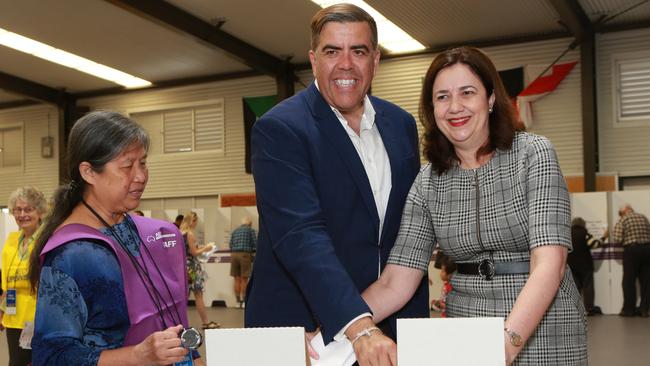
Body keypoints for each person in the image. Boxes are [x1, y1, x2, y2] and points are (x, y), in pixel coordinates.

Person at [360, 46, 587, 365]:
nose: (455, 107)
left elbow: (550, 262)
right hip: (466, 328)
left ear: (491, 99)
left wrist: (507, 343)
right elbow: (396, 281)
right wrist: (343, 323)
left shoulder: (533, 154)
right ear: (431, 108)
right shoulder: (427, 181)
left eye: (467, 92)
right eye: (442, 97)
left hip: (544, 325)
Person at [245, 3, 429, 363]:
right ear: (314, 60)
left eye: (358, 51)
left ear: (375, 60)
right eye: (332, 51)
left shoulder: (400, 124)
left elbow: (407, 230)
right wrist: (358, 326)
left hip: (388, 327)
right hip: (305, 327)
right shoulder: (280, 129)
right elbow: (300, 236)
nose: (346, 64)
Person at [28, 111, 203, 366]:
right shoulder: (71, 254)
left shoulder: (153, 235)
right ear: (88, 172)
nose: (141, 176)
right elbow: (52, 357)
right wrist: (138, 356)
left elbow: (176, 325)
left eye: (143, 163)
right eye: (127, 165)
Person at [1, 186, 47, 366]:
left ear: (40, 212)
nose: (22, 214)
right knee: (16, 362)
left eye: (28, 209)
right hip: (13, 315)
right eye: (18, 210)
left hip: (38, 316)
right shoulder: (12, 239)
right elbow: (6, 280)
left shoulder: (47, 239)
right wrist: (2, 309)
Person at [180, 211, 219, 328]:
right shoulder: (190, 234)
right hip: (192, 267)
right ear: (193, 221)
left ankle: (179, 322)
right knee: (198, 295)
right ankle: (206, 322)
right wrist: (206, 248)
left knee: (183, 296)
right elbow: (194, 252)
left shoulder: (180, 233)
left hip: (183, 266)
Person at [612, 204, 650, 317]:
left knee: (628, 281)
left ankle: (629, 310)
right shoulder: (643, 217)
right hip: (648, 249)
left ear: (623, 212)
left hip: (632, 250)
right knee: (646, 281)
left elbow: (618, 238)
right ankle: (645, 309)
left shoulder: (623, 220)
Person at [568, 217, 603, 316]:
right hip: (585, 266)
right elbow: (595, 244)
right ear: (583, 224)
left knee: (575, 287)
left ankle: (576, 309)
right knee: (588, 287)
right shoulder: (585, 233)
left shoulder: (568, 234)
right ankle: (589, 308)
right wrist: (603, 238)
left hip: (572, 265)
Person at [228, 217, 256, 307]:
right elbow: (255, 244)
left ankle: (237, 302)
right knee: (244, 279)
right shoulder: (250, 230)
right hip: (244, 255)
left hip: (234, 255)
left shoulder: (235, 231)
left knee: (236, 278)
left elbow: (230, 244)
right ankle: (244, 301)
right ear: (250, 224)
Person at [430, 252, 456, 318]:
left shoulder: (449, 288)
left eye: (442, 270)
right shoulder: (447, 286)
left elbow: (447, 305)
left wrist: (438, 305)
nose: (440, 274)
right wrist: (437, 304)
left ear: (450, 274)